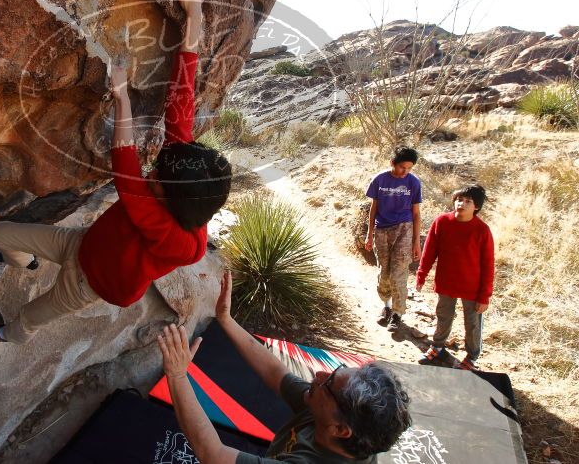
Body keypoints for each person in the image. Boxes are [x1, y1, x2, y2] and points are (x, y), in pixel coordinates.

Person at [0, 0, 232, 343]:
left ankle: (5, 334)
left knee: (30, 318)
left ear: (172, 198)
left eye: (154, 175)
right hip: (81, 243)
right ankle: (27, 263)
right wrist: (195, 15)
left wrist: (122, 100)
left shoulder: (181, 242)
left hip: (88, 283)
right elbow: (180, 102)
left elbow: (125, 171)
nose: (151, 168)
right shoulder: (183, 180)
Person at [157, 271, 411, 463]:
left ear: (341, 430)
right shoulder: (331, 414)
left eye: (329, 383)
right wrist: (226, 320)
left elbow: (212, 453)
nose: (319, 374)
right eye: (334, 371)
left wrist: (178, 376)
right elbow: (275, 373)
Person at [416, 184, 494, 370]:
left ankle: (472, 356)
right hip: (446, 283)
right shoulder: (442, 222)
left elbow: (488, 265)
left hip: (472, 289)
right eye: (459, 199)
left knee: (473, 323)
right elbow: (429, 252)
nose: (462, 204)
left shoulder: (482, 230)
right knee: (443, 316)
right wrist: (421, 274)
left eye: (468, 201)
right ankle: (437, 347)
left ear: (476, 207)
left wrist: (485, 296)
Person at [364, 146, 422, 332]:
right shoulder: (379, 180)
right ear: (392, 163)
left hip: (404, 229)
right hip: (382, 230)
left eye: (409, 169)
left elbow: (416, 213)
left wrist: (416, 243)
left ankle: (398, 314)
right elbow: (374, 208)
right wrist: (369, 234)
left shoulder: (413, 183)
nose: (404, 172)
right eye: (401, 167)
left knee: (399, 273)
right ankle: (387, 307)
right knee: (385, 272)